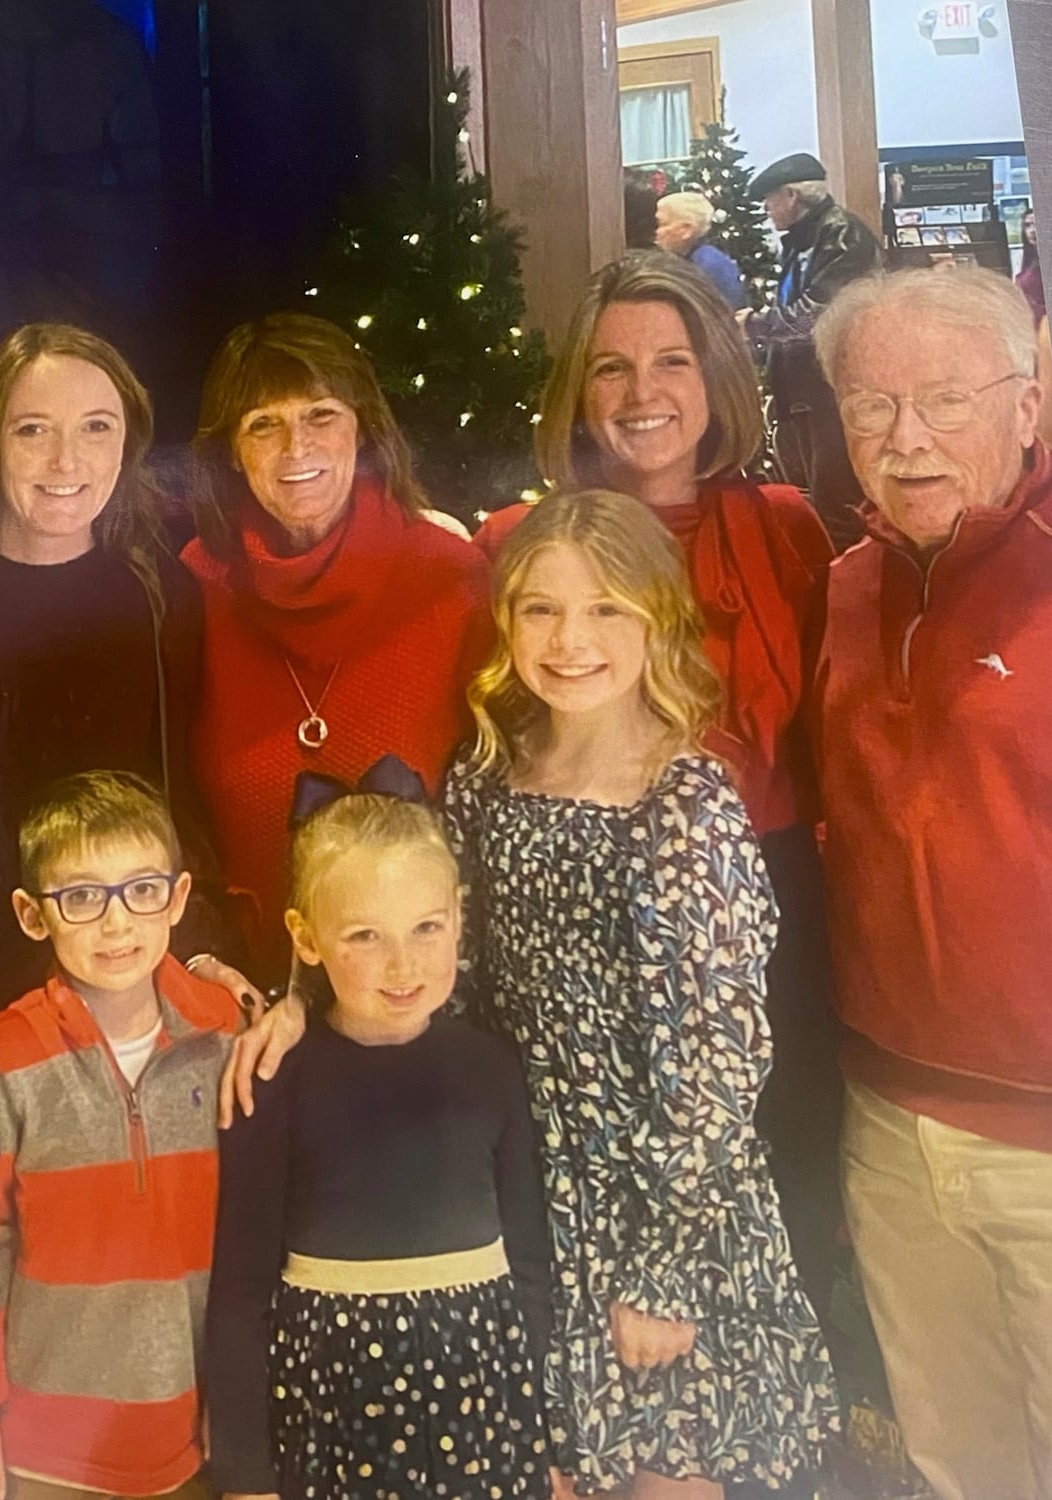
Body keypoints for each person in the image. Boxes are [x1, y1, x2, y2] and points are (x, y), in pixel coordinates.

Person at [476, 253, 843, 1326]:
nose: (642, 395)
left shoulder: (783, 529)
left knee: (780, 1184)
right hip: (581, 930)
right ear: (575, 394)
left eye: (672, 362)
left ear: (715, 378)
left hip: (767, 920)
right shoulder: (516, 547)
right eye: (611, 369)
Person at [450, 491, 837, 1495]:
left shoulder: (684, 801)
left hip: (655, 1197)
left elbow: (719, 1055)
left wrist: (662, 1268)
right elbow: (448, 984)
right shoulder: (485, 774)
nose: (569, 638)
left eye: (605, 609)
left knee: (665, 1474)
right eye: (539, 609)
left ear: (656, 618)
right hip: (527, 1188)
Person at [810, 265, 1052, 1500]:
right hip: (892, 1127)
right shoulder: (843, 588)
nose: (904, 439)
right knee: (958, 1464)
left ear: (1028, 406)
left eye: (945, 399)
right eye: (869, 406)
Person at [206, 771, 553, 1500]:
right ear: (305, 937)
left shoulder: (492, 1067)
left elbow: (530, 1268)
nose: (404, 965)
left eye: (427, 927)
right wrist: (245, 1474)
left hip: (483, 1411)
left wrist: (545, 1431)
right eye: (365, 936)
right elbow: (240, 1291)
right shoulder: (274, 1079)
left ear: (460, 916)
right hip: (334, 1408)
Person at [0, 323, 234, 1012]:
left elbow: (174, 792)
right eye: (32, 430)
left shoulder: (161, 597)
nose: (66, 458)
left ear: (128, 443)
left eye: (96, 427)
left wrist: (201, 947)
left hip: (115, 971)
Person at [0, 770, 240, 1500]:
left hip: (194, 1424)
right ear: (31, 914)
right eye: (82, 898)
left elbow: (253, 1240)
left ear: (177, 898)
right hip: (46, 1439)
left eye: (142, 890)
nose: (117, 925)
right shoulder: (4, 1054)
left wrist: (242, 1399)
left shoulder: (225, 1035)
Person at [184, 312, 492, 986]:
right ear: (232, 451)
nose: (296, 446)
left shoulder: (452, 580)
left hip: (421, 994)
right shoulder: (196, 585)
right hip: (245, 989)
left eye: (321, 414)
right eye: (263, 424)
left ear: (363, 428)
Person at [740, 152, 879, 552]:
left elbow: (817, 315)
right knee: (818, 501)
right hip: (804, 392)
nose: (766, 211)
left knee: (841, 508)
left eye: (769, 200)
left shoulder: (843, 236)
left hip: (834, 393)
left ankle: (852, 600)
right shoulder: (803, 241)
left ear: (791, 195)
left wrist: (752, 325)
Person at [655, 191, 745, 310]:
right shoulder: (690, 258)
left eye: (661, 224)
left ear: (686, 230)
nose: (655, 231)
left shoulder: (707, 266)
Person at [1015, 207, 1044, 325]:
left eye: (1036, 224)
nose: (1032, 230)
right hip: (1032, 324)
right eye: (1027, 225)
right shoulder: (1023, 258)